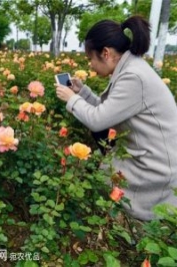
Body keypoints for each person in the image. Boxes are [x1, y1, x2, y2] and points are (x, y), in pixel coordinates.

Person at [55, 15, 177, 221]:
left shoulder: (133, 77)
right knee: (106, 179)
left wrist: (71, 100)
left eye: (91, 58)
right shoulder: (131, 68)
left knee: (116, 201)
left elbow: (98, 120)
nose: (91, 65)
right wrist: (82, 93)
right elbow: (109, 112)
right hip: (150, 152)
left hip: (156, 165)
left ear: (106, 53)